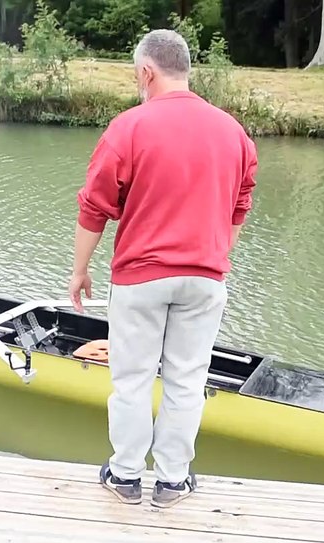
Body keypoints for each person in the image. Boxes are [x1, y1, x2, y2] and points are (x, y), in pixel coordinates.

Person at [67, 28, 258, 508]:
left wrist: (80, 270)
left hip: (142, 276)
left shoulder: (129, 126)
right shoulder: (233, 131)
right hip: (206, 277)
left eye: (137, 73)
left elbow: (95, 205)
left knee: (132, 379)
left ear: (146, 72)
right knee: (187, 381)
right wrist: (218, 257)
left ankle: (126, 476)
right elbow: (240, 204)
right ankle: (173, 481)